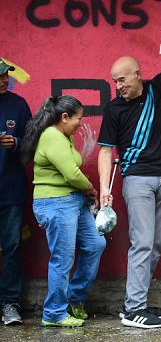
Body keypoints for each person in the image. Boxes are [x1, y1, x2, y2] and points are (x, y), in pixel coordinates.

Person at [97, 32, 161, 328]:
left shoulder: (156, 89)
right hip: (138, 180)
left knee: (156, 244)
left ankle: (133, 304)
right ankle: (134, 308)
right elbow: (104, 151)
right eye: (114, 81)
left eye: (122, 80)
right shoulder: (114, 109)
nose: (118, 86)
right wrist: (104, 188)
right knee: (142, 244)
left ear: (138, 75)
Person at [19, 96, 105, 327]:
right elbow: (71, 173)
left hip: (72, 201)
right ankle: (54, 313)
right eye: (79, 118)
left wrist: (83, 191)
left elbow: (71, 172)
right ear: (64, 117)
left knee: (96, 244)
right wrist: (90, 188)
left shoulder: (64, 136)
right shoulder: (52, 136)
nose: (81, 122)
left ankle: (73, 298)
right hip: (55, 203)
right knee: (62, 258)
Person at [0, 58, 31, 326]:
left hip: (10, 191)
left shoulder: (18, 105)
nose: (3, 80)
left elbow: (31, 147)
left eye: (5, 76)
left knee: (11, 248)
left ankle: (9, 303)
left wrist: (16, 142)